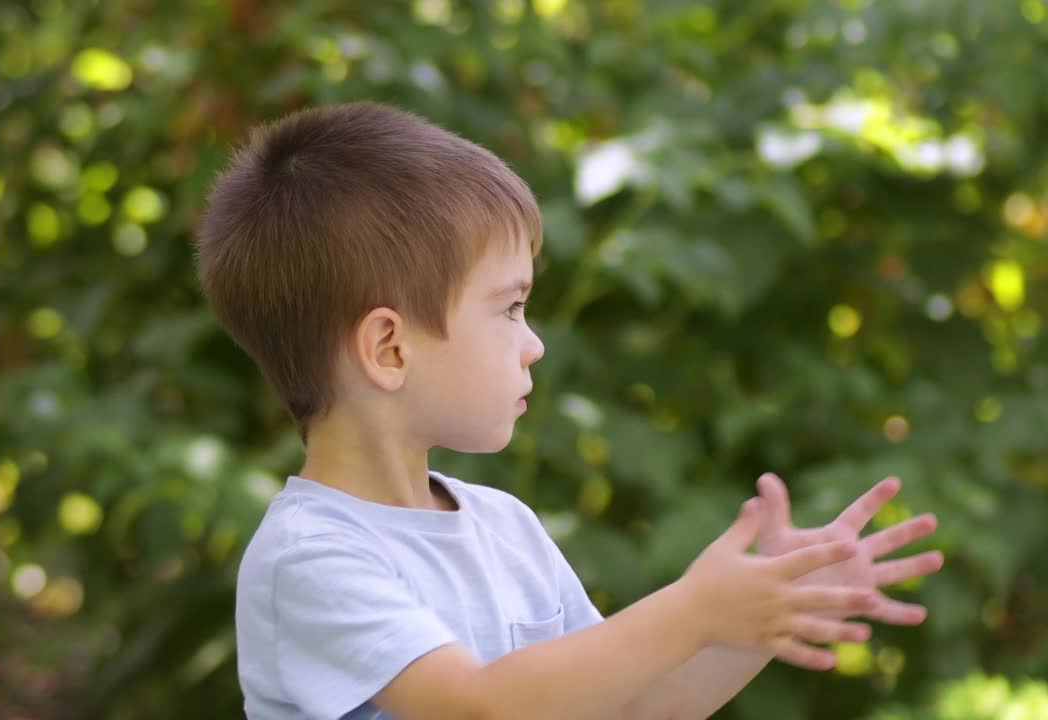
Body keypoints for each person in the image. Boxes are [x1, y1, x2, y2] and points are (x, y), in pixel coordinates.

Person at [193, 101, 944, 720]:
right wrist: (692, 609)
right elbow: (476, 707)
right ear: (389, 348)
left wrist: (758, 616)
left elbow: (631, 710)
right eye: (510, 308)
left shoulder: (505, 529)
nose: (534, 345)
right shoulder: (312, 558)